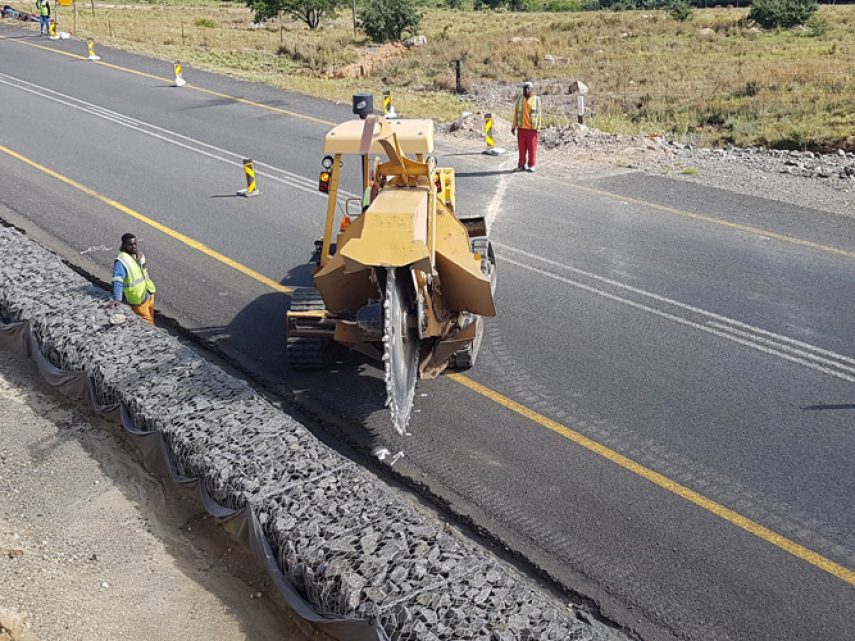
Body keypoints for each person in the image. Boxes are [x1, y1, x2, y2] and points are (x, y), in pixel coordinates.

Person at [110, 233, 156, 324]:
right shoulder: (121, 261)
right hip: (138, 300)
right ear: (124, 245)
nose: (134, 247)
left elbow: (140, 271)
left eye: (135, 244)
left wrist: (138, 259)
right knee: (149, 324)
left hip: (148, 293)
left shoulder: (137, 255)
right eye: (130, 245)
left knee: (151, 318)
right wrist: (117, 299)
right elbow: (117, 280)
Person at [511, 81, 542, 173]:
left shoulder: (536, 99)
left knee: (532, 149)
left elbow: (539, 115)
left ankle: (531, 165)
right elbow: (516, 114)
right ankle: (521, 165)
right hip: (521, 129)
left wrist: (538, 128)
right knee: (521, 149)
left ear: (531, 89)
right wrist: (513, 126)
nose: (526, 90)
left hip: (532, 130)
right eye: (524, 88)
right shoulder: (520, 99)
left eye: (528, 88)